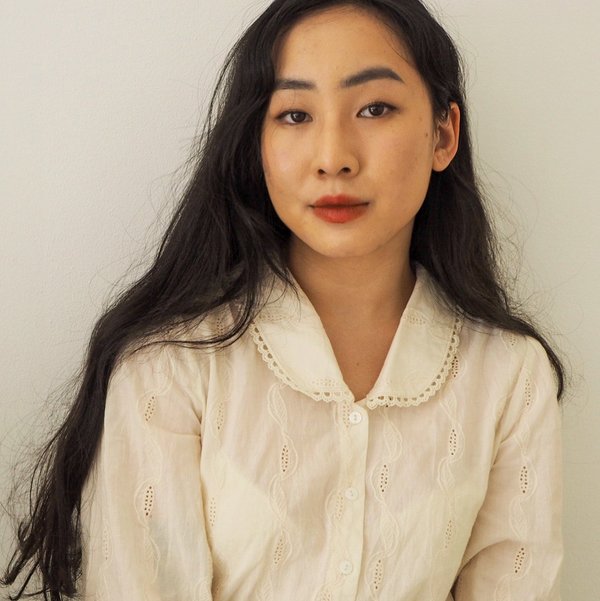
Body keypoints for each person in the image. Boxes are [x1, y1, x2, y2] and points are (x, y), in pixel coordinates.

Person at [2, 0, 565, 599]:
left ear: (443, 134)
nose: (334, 158)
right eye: (294, 114)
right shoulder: (169, 367)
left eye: (375, 108)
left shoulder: (510, 375)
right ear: (257, 143)